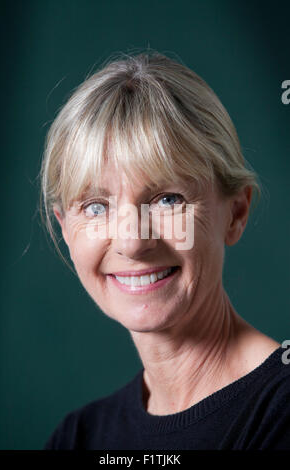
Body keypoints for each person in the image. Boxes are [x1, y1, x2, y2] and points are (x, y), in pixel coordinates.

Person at [40, 50, 290, 450]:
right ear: (65, 228)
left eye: (168, 199)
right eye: (96, 207)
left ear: (236, 213)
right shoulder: (78, 437)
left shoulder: (279, 416)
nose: (132, 243)